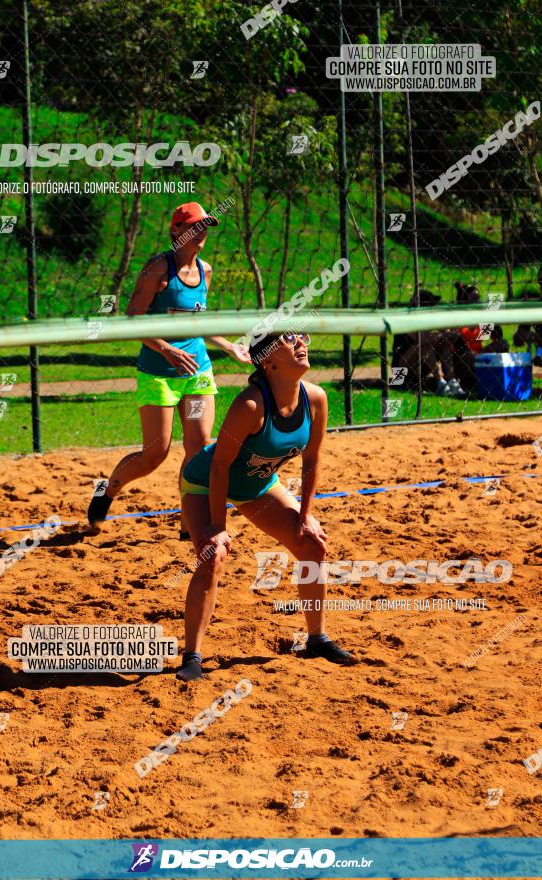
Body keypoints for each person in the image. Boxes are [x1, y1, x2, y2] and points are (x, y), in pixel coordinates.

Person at [175, 331, 357, 682]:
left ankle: (317, 638)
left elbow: (312, 460)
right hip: (204, 482)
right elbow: (218, 466)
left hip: (257, 486)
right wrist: (217, 525)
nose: (302, 343)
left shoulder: (315, 398)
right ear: (269, 361)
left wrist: (305, 517)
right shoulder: (251, 405)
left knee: (313, 544)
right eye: (290, 340)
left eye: (301, 337)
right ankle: (192, 657)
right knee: (213, 555)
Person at [87, 202, 251, 533]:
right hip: (158, 374)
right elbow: (131, 320)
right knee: (154, 454)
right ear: (175, 231)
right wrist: (166, 349)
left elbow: (198, 321)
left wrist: (228, 345)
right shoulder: (157, 269)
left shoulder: (206, 271)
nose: (201, 231)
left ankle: (189, 522)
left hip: (197, 372)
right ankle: (109, 489)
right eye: (193, 225)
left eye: (205, 225)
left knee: (199, 445)